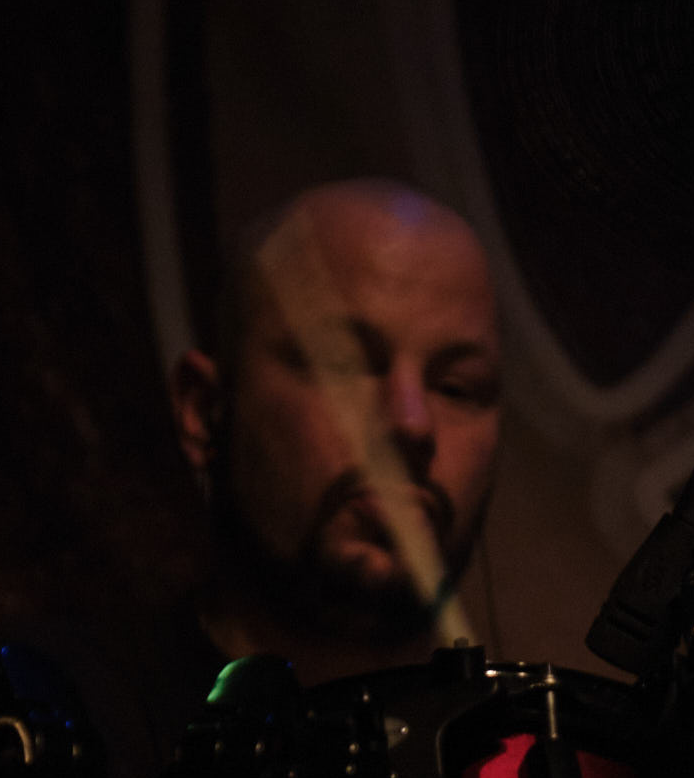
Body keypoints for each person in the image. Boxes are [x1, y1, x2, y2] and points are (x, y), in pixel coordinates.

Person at [166, 177, 503, 689]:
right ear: (205, 408)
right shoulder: (73, 715)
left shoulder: (527, 737)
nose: (412, 423)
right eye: (342, 365)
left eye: (456, 388)